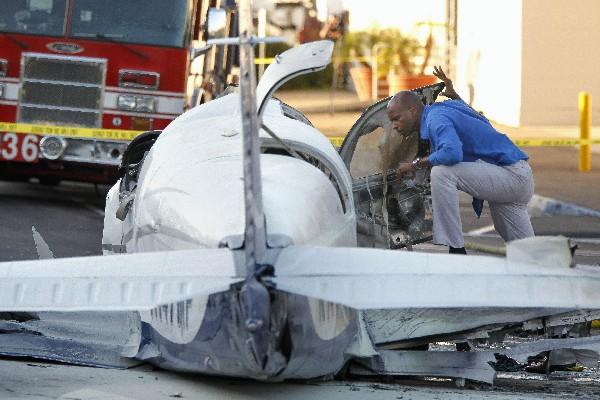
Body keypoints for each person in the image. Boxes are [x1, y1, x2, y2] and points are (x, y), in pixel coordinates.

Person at [387, 66, 535, 254]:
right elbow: (476, 118)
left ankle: (455, 248)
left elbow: (452, 153)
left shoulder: (435, 118)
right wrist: (456, 95)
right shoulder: (447, 107)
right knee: (529, 253)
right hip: (515, 179)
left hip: (511, 177)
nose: (394, 126)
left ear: (413, 110)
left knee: (442, 172)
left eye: (396, 118)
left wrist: (416, 164)